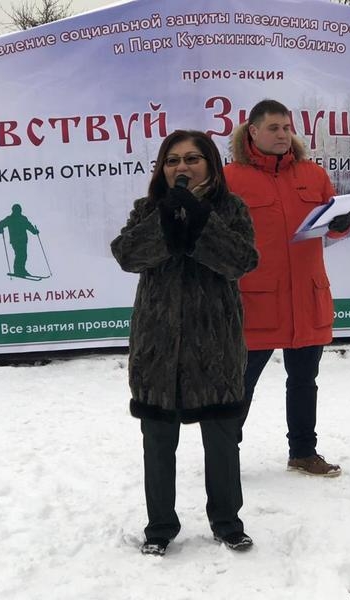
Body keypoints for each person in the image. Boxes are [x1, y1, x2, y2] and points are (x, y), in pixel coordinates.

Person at [111, 130, 259, 556]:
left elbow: (241, 261)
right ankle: (159, 527)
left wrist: (199, 219)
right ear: (162, 168)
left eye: (192, 158)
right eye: (172, 160)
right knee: (158, 440)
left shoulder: (231, 208)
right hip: (157, 345)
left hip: (216, 345)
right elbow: (127, 255)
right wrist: (165, 218)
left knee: (221, 439)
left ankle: (227, 522)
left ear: (210, 164)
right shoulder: (147, 209)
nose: (182, 167)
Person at [225, 99, 350, 478]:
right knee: (240, 384)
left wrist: (341, 223)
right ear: (253, 132)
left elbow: (336, 227)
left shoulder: (313, 174)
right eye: (274, 128)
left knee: (304, 381)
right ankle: (223, 454)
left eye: (286, 128)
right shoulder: (230, 179)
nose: (283, 135)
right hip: (256, 301)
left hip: (307, 298)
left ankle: (303, 452)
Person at [0, 204, 39, 277]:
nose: (19, 211)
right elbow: (0, 224)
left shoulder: (21, 218)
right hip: (16, 241)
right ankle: (18, 271)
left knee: (23, 255)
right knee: (20, 255)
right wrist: (0, 229)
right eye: (18, 210)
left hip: (22, 240)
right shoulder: (11, 218)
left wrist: (34, 231)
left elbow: (29, 226)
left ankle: (22, 270)